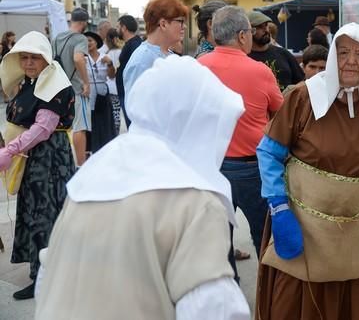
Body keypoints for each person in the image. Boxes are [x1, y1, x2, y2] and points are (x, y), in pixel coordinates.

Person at [35, 56, 250, 319]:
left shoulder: (92, 176)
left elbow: (48, 274)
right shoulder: (194, 202)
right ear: (195, 121)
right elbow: (214, 310)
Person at [255, 22, 359, 320]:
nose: (351, 61)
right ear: (333, 56)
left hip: (355, 235)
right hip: (302, 226)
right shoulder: (303, 98)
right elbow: (269, 153)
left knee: (348, 304)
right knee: (291, 306)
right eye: (343, 52)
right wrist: (278, 206)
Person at [198, 6, 283, 282]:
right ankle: (269, 299)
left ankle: (227, 297)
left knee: (219, 240)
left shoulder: (198, 67)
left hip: (210, 168)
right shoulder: (259, 71)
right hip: (253, 167)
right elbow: (280, 114)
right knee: (264, 237)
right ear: (243, 35)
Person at [0, 31, 75, 300]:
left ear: (46, 59)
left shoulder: (55, 84)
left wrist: (9, 150)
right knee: (34, 212)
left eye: (35, 58)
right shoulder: (32, 82)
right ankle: (41, 270)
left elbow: (43, 129)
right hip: (35, 157)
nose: (29, 63)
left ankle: (44, 276)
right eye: (25, 58)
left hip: (50, 159)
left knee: (45, 214)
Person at [123, 0, 188, 110]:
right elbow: (136, 109)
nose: (185, 27)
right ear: (163, 24)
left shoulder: (169, 54)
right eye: (180, 21)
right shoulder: (142, 60)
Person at [53, 7, 91, 165]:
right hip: (75, 89)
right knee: (79, 127)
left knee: (61, 127)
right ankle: (80, 164)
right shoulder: (80, 38)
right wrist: (86, 82)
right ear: (83, 23)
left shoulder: (56, 38)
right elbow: (77, 58)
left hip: (58, 89)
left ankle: (64, 161)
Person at [247, 11, 304, 91]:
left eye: (266, 25)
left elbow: (302, 81)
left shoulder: (283, 54)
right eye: (259, 27)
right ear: (250, 31)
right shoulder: (244, 57)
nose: (265, 30)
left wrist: (290, 91)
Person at [85, 31, 116, 153]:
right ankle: (89, 149)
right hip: (88, 93)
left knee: (104, 121)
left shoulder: (104, 56)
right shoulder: (82, 58)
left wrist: (110, 64)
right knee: (90, 122)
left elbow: (112, 75)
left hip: (102, 94)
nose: (88, 43)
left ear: (96, 42)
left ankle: (104, 149)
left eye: (90, 40)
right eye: (85, 41)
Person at [114, 14, 140, 128]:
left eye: (118, 26)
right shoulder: (130, 44)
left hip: (130, 94)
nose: (116, 30)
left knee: (133, 127)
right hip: (125, 92)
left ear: (124, 28)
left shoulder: (135, 44)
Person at [104, 28, 123, 134]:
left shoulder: (106, 54)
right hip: (118, 88)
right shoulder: (121, 52)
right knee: (116, 114)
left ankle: (112, 136)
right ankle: (116, 135)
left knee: (110, 116)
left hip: (108, 87)